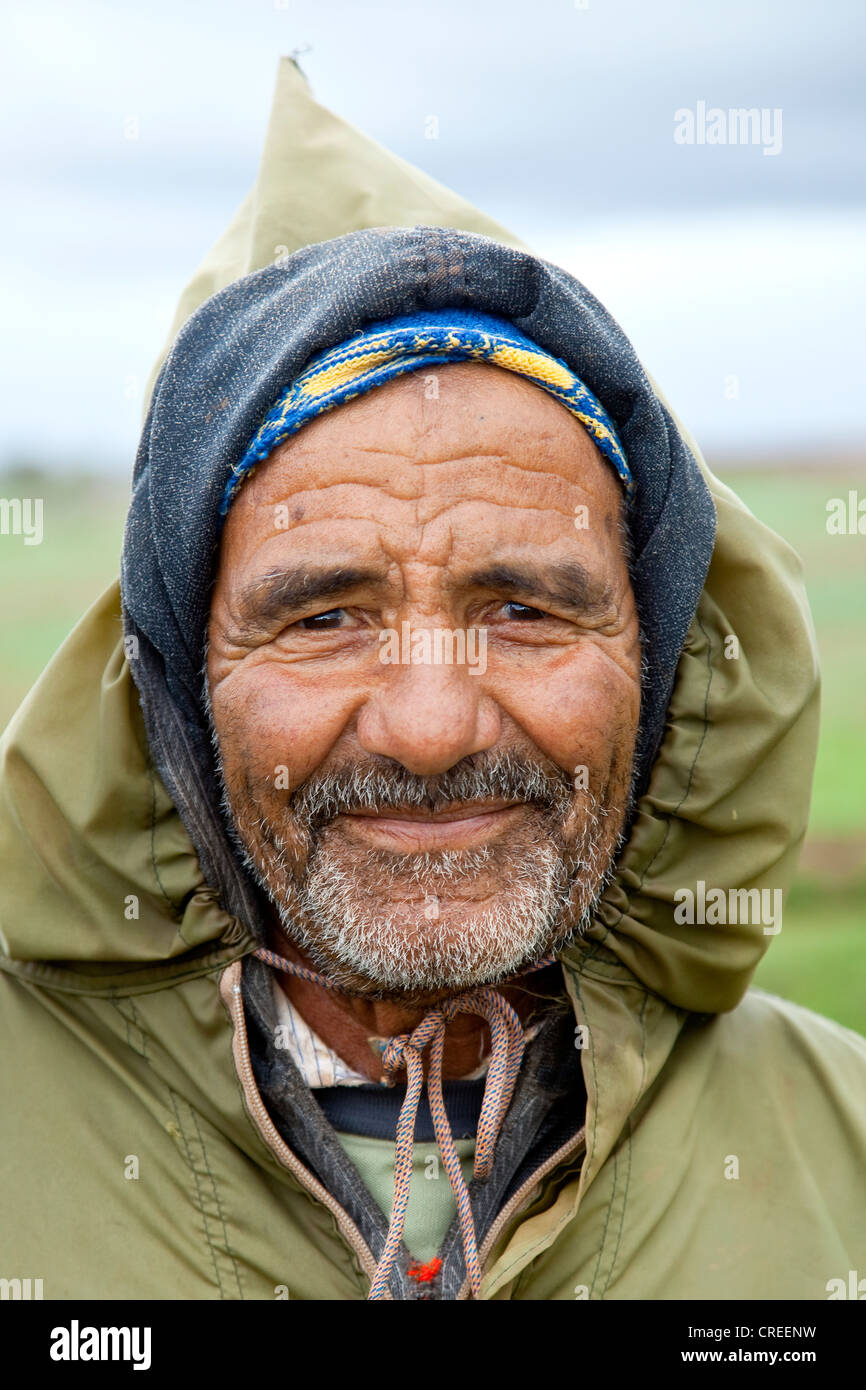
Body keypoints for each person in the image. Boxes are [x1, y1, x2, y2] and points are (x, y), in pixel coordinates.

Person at [1, 67, 864, 1303]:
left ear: (660, 660)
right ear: (179, 686)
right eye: (323, 614)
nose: (427, 726)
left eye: (522, 610)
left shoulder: (839, 1162)